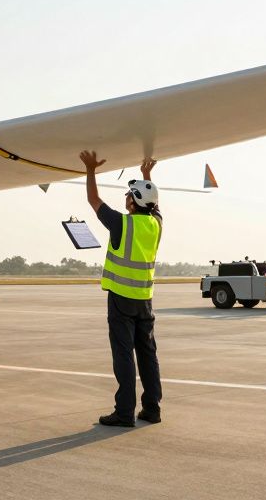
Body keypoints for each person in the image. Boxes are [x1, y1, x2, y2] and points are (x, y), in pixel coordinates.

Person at [79, 150, 163, 428]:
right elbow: (155, 204)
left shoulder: (121, 223)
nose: (125, 199)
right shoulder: (156, 224)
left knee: (124, 355)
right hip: (145, 300)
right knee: (148, 354)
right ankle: (152, 409)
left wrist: (90, 169)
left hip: (121, 301)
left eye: (129, 195)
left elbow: (93, 200)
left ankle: (124, 412)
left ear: (135, 201)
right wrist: (147, 176)